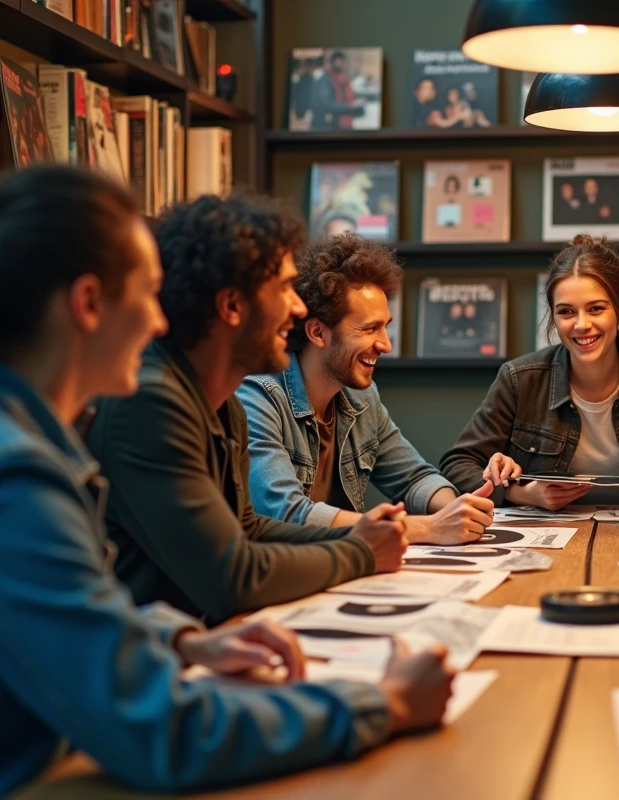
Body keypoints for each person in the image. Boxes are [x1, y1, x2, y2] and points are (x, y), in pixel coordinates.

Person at [0, 166, 452, 799]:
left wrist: (175, 638)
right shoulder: (8, 478)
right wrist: (385, 703)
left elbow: (56, 617)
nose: (162, 324)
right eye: (149, 295)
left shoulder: (6, 440)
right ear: (89, 304)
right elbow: (166, 731)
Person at [87, 194, 408, 624]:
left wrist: (358, 534)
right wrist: (360, 551)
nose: (298, 308)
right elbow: (231, 577)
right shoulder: (150, 402)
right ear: (233, 306)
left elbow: (250, 530)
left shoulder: (221, 400)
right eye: (282, 289)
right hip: (142, 666)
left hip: (198, 643)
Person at [238, 234, 495, 545]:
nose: (386, 344)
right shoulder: (256, 395)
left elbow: (414, 478)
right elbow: (286, 513)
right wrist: (427, 528)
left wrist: (457, 509)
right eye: (370, 328)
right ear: (318, 332)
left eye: (386, 326)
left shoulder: (362, 397)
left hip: (342, 569)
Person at [441, 236, 619, 510]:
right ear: (554, 316)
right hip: (545, 537)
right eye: (566, 312)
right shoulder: (518, 379)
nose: (582, 324)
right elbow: (457, 466)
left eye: (596, 309)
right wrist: (520, 492)